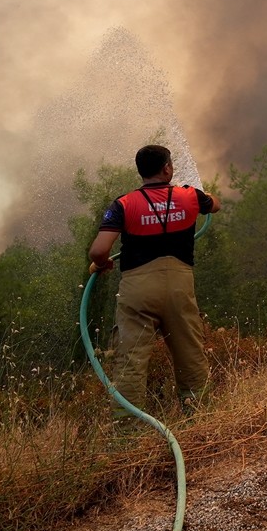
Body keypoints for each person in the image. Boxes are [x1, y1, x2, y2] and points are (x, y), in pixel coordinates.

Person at [88, 144, 221, 416]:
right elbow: (215, 204)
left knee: (131, 361)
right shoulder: (190, 196)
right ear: (168, 168)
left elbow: (99, 250)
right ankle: (199, 416)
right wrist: (204, 195)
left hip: (137, 290)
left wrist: (102, 264)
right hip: (178, 287)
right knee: (189, 353)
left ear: (140, 171)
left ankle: (127, 431)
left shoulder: (123, 205)